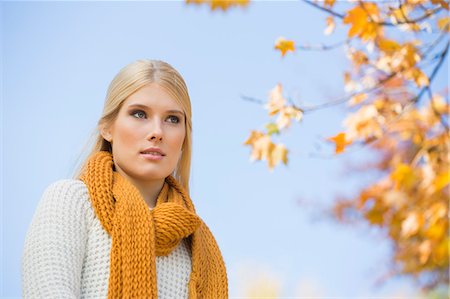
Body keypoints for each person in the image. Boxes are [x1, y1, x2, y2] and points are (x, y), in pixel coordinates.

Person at [21, 59, 228, 299]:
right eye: (139, 114)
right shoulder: (71, 202)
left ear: (184, 137)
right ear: (108, 128)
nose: (157, 132)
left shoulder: (194, 240)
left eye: (172, 119)